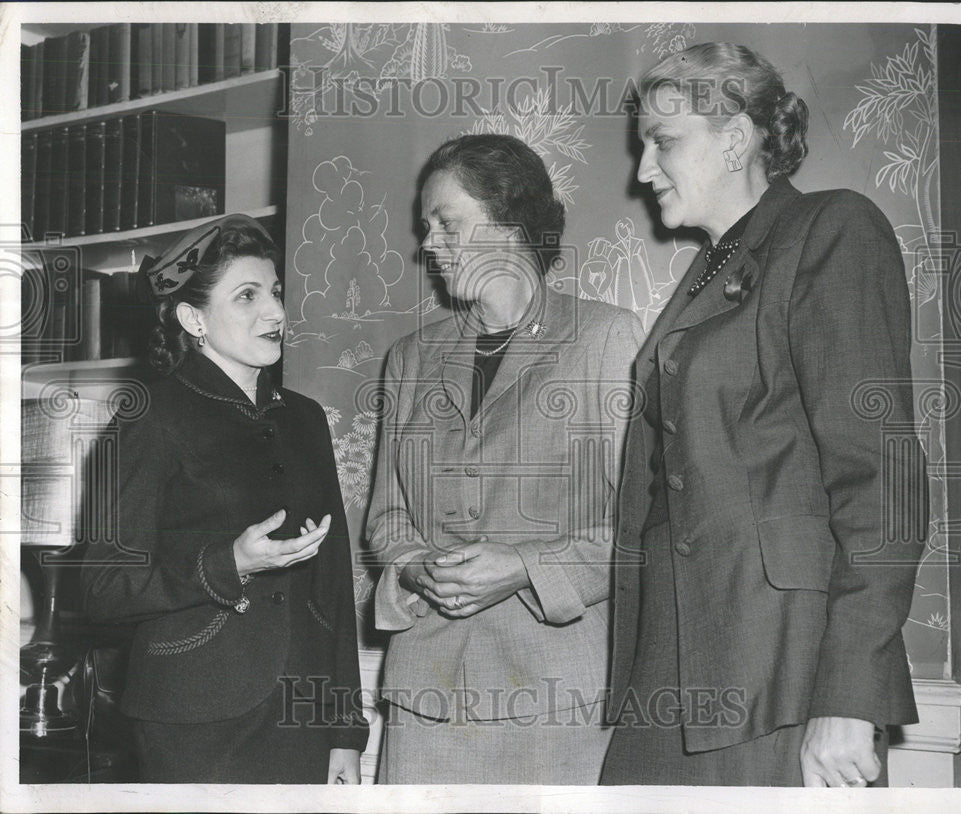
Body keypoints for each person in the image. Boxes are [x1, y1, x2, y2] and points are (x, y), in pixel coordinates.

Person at [601, 43, 925, 787]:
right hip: (672, 670)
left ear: (737, 138)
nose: (644, 170)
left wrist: (847, 696)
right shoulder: (708, 271)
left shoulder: (829, 230)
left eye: (664, 141)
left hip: (781, 669)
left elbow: (884, 482)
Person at [367, 134, 644, 784]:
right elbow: (387, 518)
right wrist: (414, 570)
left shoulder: (606, 339)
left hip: (554, 701)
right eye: (427, 226)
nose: (428, 243)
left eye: (448, 224)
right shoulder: (408, 360)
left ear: (510, 226)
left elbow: (647, 525)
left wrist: (524, 567)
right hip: (426, 698)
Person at [80, 214, 368, 783]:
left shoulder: (306, 419)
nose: (277, 313)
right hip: (193, 723)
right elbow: (103, 586)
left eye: (277, 293)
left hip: (300, 717)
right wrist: (228, 562)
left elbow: (332, 584)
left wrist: (344, 733)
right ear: (194, 318)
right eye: (247, 296)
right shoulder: (151, 419)